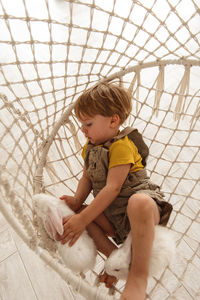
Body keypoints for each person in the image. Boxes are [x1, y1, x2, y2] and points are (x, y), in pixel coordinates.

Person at [57, 82, 173, 300]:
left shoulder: (121, 145)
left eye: (88, 123)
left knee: (137, 203)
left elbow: (113, 188)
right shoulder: (90, 147)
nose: (83, 130)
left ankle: (138, 276)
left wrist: (82, 218)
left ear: (113, 121)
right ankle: (116, 260)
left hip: (144, 210)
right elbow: (87, 177)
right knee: (79, 213)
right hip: (116, 220)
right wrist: (76, 201)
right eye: (82, 124)